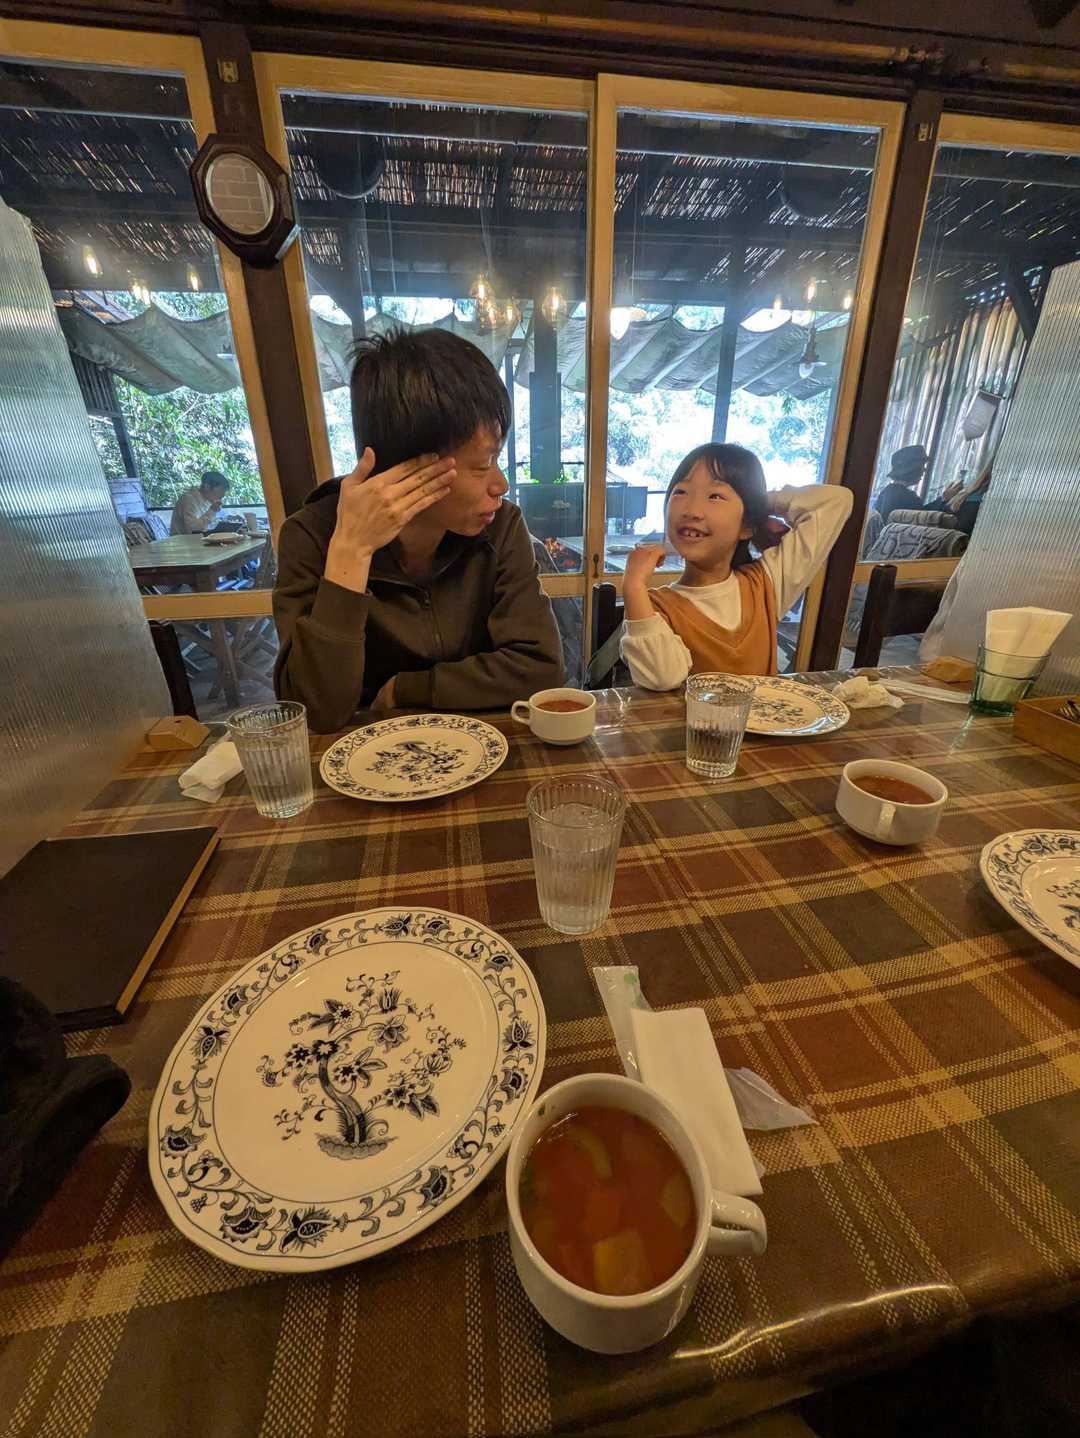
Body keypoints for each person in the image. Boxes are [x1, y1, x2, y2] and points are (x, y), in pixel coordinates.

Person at [273, 327, 564, 732]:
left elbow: (542, 668)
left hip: (480, 745)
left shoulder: (500, 527)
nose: (501, 485)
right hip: (365, 755)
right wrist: (351, 552)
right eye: (483, 464)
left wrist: (409, 689)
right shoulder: (312, 537)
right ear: (410, 469)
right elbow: (314, 712)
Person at [620, 442, 852, 689]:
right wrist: (633, 586)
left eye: (715, 496)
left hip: (765, 717)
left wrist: (760, 506)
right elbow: (663, 677)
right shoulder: (653, 607)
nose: (692, 510)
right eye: (681, 492)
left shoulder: (766, 583)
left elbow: (836, 500)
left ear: (747, 525)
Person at [872, 444, 929, 520]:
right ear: (912, 469)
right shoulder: (910, 499)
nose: (924, 470)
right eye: (921, 466)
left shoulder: (885, 492)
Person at [170, 471, 232, 535]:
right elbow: (193, 530)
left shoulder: (207, 499)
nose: (223, 495)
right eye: (221, 490)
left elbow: (210, 525)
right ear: (207, 487)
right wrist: (212, 510)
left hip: (199, 539)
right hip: (184, 540)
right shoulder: (189, 500)